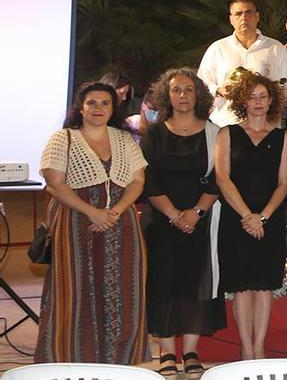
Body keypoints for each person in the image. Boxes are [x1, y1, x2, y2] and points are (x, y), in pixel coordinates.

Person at [36, 82, 148, 363]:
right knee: (74, 291)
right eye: (92, 103)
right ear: (81, 107)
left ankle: (119, 363)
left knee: (123, 290)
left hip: (121, 224)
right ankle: (71, 360)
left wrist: (116, 211)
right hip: (76, 223)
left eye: (105, 103)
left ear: (113, 108)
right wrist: (93, 212)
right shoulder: (63, 138)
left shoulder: (124, 139)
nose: (98, 108)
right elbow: (55, 184)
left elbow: (137, 180)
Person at [140, 69, 225, 375]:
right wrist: (176, 214)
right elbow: (147, 181)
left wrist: (195, 213)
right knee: (163, 284)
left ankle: (190, 351)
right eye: (176, 90)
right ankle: (166, 353)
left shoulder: (214, 132)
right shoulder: (153, 134)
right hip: (162, 223)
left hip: (201, 221)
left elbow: (220, 178)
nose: (183, 95)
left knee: (195, 283)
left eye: (189, 90)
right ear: (167, 95)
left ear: (198, 95)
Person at [214, 73, 287, 359]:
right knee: (243, 287)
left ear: (271, 100)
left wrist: (264, 217)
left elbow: (284, 183)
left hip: (269, 220)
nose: (257, 102)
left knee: (264, 286)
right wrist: (248, 216)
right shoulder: (227, 133)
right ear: (242, 101)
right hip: (237, 220)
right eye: (252, 96)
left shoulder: (283, 137)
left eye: (263, 96)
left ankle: (260, 346)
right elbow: (222, 178)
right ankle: (246, 348)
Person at [197, 0, 287, 126]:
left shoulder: (275, 48)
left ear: (257, 16)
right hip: (226, 123)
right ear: (231, 19)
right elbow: (201, 82)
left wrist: (270, 91)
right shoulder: (217, 48)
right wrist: (219, 90)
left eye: (248, 12)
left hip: (265, 125)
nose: (243, 18)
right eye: (238, 14)